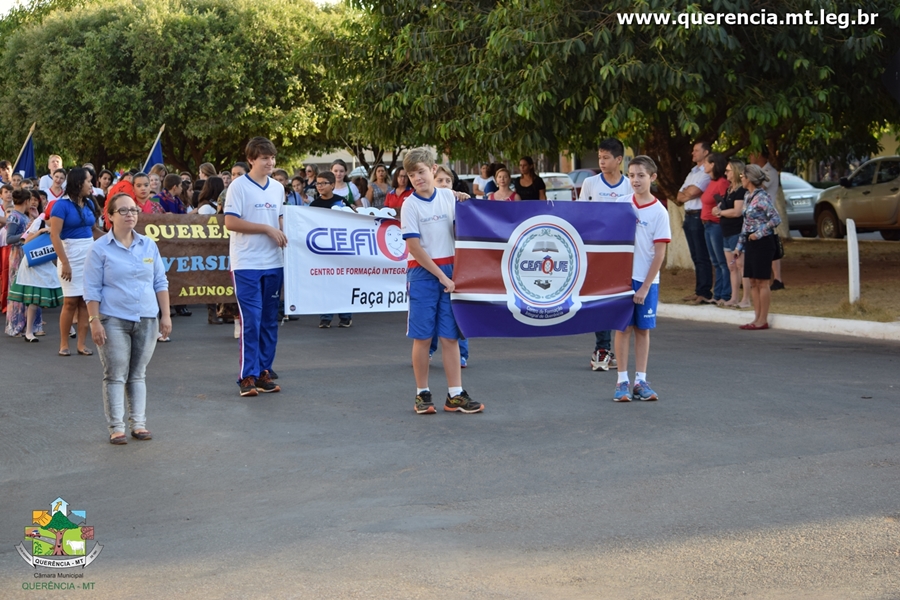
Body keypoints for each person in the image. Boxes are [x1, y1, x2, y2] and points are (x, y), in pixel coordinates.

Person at [401, 147, 483, 415]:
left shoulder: (449, 197)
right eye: (412, 175)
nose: (417, 178)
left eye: (421, 172)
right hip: (424, 273)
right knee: (422, 337)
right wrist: (442, 276)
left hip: (451, 270)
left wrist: (464, 198)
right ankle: (421, 394)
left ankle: (455, 395)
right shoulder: (409, 204)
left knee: (450, 337)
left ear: (433, 170)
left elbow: (472, 224)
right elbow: (414, 247)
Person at [84, 193, 171, 445]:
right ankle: (116, 427)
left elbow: (160, 281)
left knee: (138, 373)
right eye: (123, 210)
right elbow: (91, 288)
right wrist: (94, 321)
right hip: (113, 319)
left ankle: (139, 424)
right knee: (115, 374)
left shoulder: (148, 245)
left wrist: (165, 315)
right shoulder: (99, 248)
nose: (130, 214)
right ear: (109, 216)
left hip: (146, 317)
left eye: (133, 210)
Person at [222, 137, 285, 397]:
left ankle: (263, 372)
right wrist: (267, 229)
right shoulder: (238, 186)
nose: (269, 162)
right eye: (264, 158)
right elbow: (230, 223)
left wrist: (282, 231)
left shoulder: (278, 188)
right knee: (252, 320)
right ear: (251, 160)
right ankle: (247, 376)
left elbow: (281, 220)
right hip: (246, 263)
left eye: (272, 158)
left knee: (270, 320)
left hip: (274, 262)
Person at [613, 155, 670, 402]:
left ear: (653, 177)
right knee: (623, 329)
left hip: (645, 281)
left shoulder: (660, 212)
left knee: (643, 331)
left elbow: (659, 254)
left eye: (641, 175)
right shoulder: (621, 204)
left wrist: (645, 286)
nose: (635, 180)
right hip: (621, 281)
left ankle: (641, 381)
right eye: (632, 175)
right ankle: (622, 381)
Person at [578, 138, 633, 372]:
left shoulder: (630, 185)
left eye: (606, 157)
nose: (601, 161)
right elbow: (580, 216)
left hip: (622, 252)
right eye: (599, 157)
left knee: (619, 299)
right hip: (596, 251)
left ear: (618, 160)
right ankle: (602, 348)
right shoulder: (590, 184)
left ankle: (620, 349)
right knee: (599, 299)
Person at [50, 168, 100, 356]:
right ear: (79, 183)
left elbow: (94, 231)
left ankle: (81, 344)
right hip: (69, 256)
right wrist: (65, 262)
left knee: (84, 302)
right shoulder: (60, 205)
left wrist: (118, 238)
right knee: (70, 302)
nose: (91, 184)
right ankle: (64, 344)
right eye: (89, 181)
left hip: (89, 257)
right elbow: (54, 235)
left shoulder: (88, 204)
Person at [429, 165, 469, 367]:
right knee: (432, 310)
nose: (444, 184)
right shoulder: (426, 205)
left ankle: (462, 353)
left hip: (456, 264)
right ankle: (428, 349)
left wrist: (463, 199)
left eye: (448, 181)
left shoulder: (459, 203)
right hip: (432, 265)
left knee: (456, 312)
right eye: (440, 180)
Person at [733, 164, 781, 330]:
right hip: (750, 242)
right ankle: (756, 318)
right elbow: (745, 224)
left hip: (763, 243)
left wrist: (759, 233)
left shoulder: (763, 197)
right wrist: (739, 246)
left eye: (743, 176)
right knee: (753, 280)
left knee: (762, 281)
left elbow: (775, 219)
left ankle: (763, 319)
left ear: (750, 178)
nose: (741, 179)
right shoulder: (748, 196)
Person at [8, 197, 62, 340]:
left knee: (64, 296)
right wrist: (42, 231)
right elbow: (26, 240)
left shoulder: (63, 224)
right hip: (34, 261)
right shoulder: (40, 220)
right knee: (33, 299)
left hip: (49, 262)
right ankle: (29, 332)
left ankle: (69, 328)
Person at [312, 171, 353, 329]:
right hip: (322, 249)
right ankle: (325, 317)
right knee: (325, 283)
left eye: (323, 183)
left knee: (342, 282)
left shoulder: (341, 202)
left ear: (332, 185)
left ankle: (345, 316)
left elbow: (352, 220)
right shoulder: (314, 205)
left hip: (340, 248)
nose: (320, 186)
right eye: (318, 184)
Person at [675, 141, 713, 304]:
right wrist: (688, 192)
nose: (693, 153)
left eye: (696, 150)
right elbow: (679, 196)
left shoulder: (706, 172)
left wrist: (688, 192)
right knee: (695, 256)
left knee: (702, 255)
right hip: (689, 215)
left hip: (699, 216)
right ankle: (699, 290)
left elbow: (693, 192)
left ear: (706, 153)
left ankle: (705, 291)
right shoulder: (692, 172)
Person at [712, 160, 750, 308]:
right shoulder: (729, 190)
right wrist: (718, 209)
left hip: (736, 232)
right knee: (732, 266)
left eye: (728, 170)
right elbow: (725, 207)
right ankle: (734, 297)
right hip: (726, 232)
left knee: (741, 265)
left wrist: (721, 212)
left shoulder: (741, 191)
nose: (725, 173)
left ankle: (746, 298)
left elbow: (737, 211)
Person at [749, 148, 785, 290]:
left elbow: (758, 187)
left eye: (752, 153)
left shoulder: (769, 172)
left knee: (770, 246)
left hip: (766, 215)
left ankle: (777, 278)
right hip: (757, 215)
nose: (750, 156)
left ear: (760, 155)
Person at [4, 191, 38, 337]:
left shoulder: (23, 216)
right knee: (17, 289)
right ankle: (15, 324)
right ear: (26, 200)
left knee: (26, 288)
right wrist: (26, 235)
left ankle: (25, 324)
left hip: (25, 253)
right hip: (17, 254)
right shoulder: (14, 216)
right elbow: (9, 238)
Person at [700, 152, 731, 305]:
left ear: (713, 165)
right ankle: (718, 293)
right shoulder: (711, 182)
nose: (704, 165)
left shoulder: (722, 182)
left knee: (722, 261)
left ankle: (725, 294)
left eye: (706, 162)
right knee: (715, 261)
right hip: (707, 224)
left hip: (716, 225)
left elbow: (725, 202)